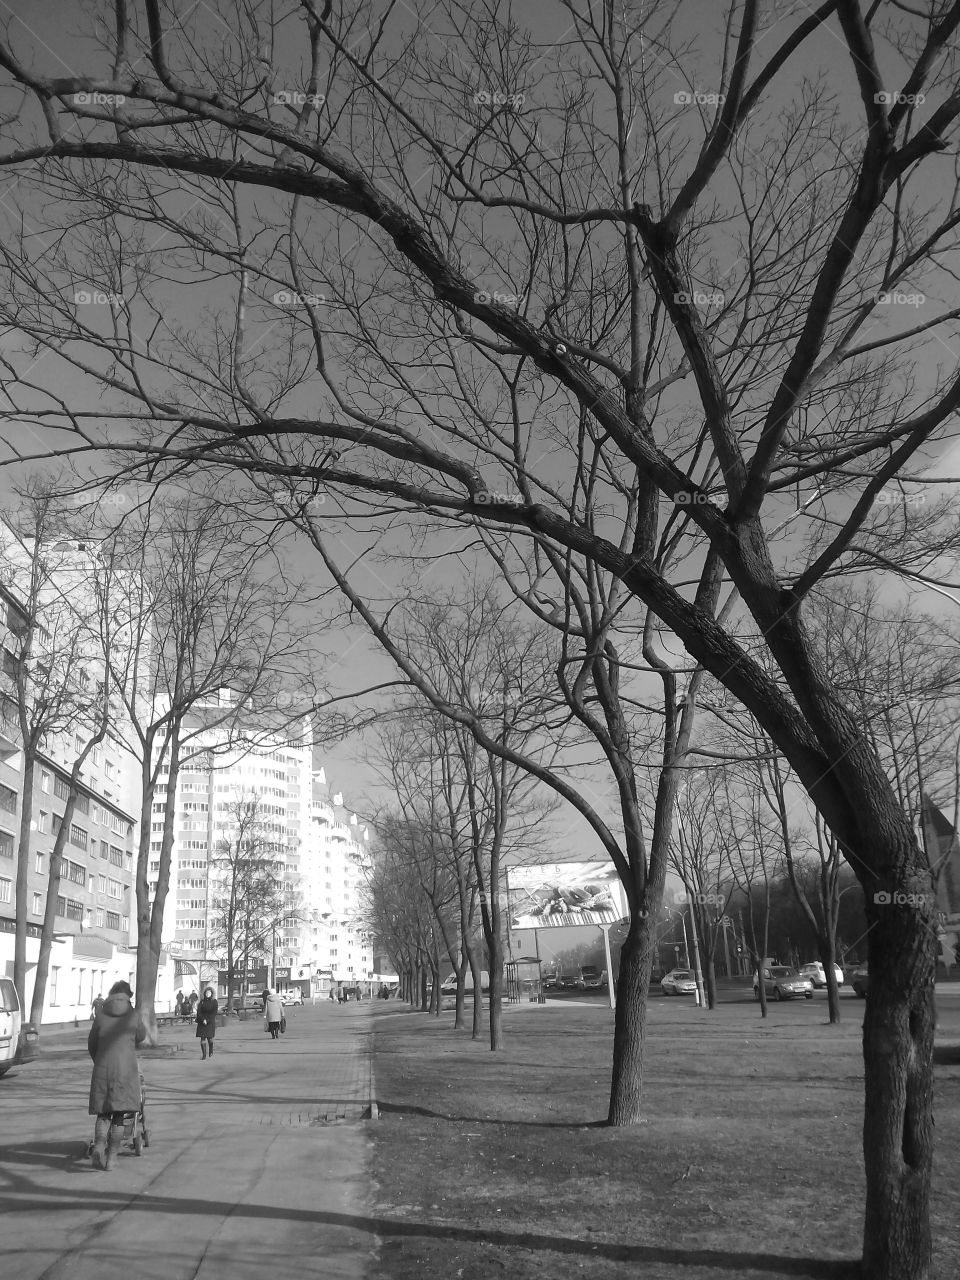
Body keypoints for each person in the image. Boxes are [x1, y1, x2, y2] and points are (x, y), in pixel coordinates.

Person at [88, 980, 146, 1170]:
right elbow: (141, 1036)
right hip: (125, 1071)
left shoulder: (101, 1014)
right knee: (119, 1116)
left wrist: (100, 1061)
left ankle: (98, 1147)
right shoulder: (132, 1014)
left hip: (103, 1069)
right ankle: (112, 1158)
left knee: (103, 1114)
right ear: (128, 995)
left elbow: (92, 1044)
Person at [195, 986, 219, 1060]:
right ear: (204, 993)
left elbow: (214, 1012)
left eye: (209, 992)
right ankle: (204, 1055)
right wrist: (203, 1019)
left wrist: (207, 1020)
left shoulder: (214, 1001)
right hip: (202, 1022)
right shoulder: (202, 1001)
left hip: (210, 1022)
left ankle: (211, 1049)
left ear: (211, 993)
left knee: (210, 1038)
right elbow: (199, 1012)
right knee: (202, 1038)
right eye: (206, 992)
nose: (207, 994)